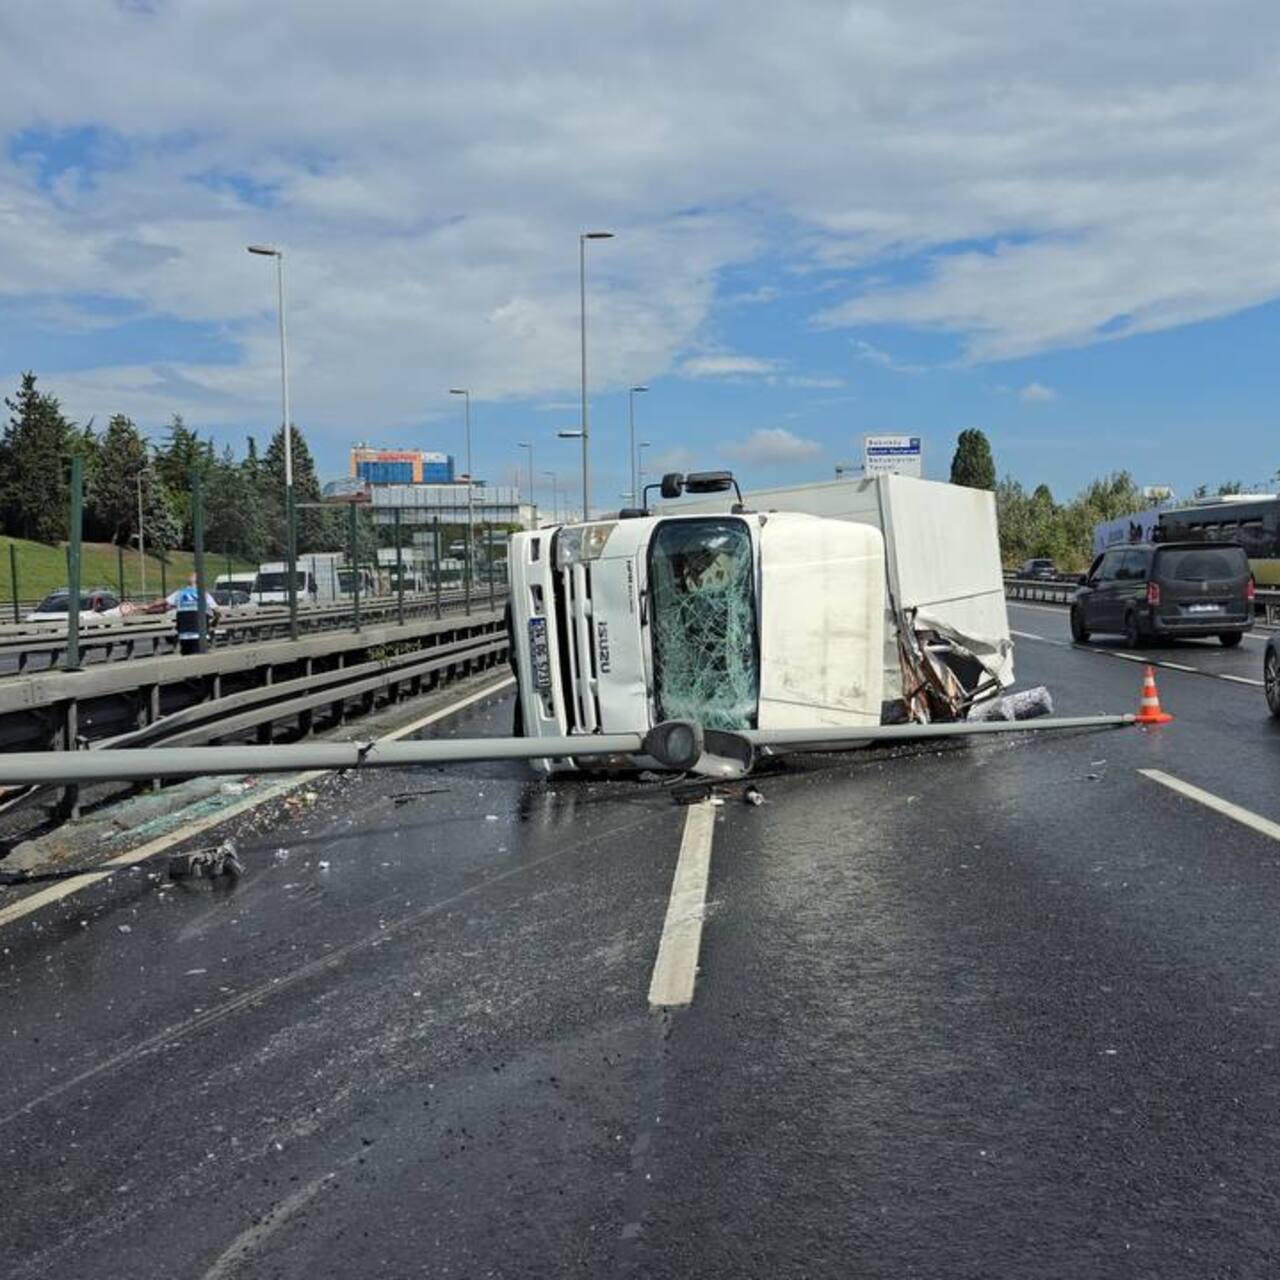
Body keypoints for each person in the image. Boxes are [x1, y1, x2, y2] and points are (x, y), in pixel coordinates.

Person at [147, 574, 220, 654]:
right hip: (200, 633)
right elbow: (217, 611)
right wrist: (214, 621)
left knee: (187, 657)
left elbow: (162, 602)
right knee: (201, 659)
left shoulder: (179, 593)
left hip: (184, 633)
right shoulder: (204, 594)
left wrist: (148, 606)